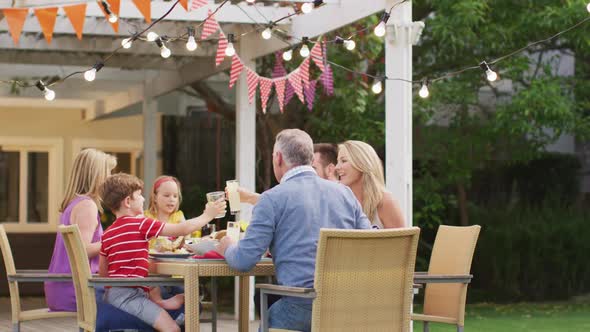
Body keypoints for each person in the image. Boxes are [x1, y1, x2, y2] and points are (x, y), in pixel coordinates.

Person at [216, 129, 371, 332]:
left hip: (302, 306)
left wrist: (227, 245)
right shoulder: (344, 193)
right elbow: (370, 240)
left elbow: (243, 261)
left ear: (278, 158)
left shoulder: (272, 199)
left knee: (274, 310)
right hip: (347, 305)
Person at [99, 173, 226, 332]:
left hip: (116, 294)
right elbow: (182, 229)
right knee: (172, 329)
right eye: (139, 196)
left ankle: (161, 303)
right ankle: (161, 304)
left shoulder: (108, 233)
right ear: (127, 202)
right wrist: (208, 215)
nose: (144, 199)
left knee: (153, 287)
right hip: (131, 296)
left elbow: (104, 273)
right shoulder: (140, 223)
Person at [45, 148, 116, 312]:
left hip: (63, 288)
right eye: (107, 172)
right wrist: (114, 240)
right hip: (77, 291)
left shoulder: (74, 204)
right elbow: (82, 250)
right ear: (95, 175)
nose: (110, 178)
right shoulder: (87, 206)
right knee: (140, 300)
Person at [335, 140, 405, 229]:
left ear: (362, 163)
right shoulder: (338, 201)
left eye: (344, 161)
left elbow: (402, 242)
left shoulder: (385, 201)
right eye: (337, 161)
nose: (336, 167)